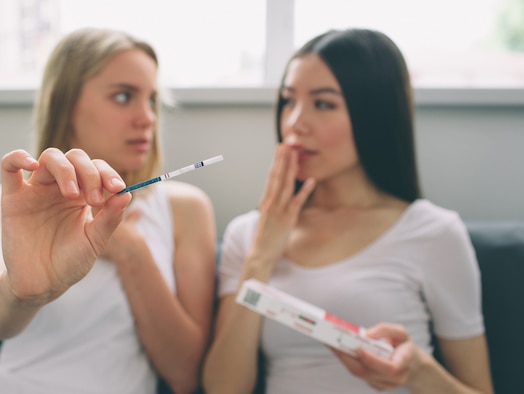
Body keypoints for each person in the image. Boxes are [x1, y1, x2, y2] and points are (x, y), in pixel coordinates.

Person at [202, 28, 494, 394]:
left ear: (373, 115)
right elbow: (222, 388)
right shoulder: (248, 234)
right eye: (288, 101)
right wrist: (260, 259)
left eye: (323, 104)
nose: (295, 123)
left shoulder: (433, 232)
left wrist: (418, 370)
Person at [0, 28, 216, 394]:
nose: (147, 118)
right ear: (66, 103)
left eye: (152, 100)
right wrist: (22, 292)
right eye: (123, 96)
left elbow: (185, 376)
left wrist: (130, 251)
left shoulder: (184, 209)